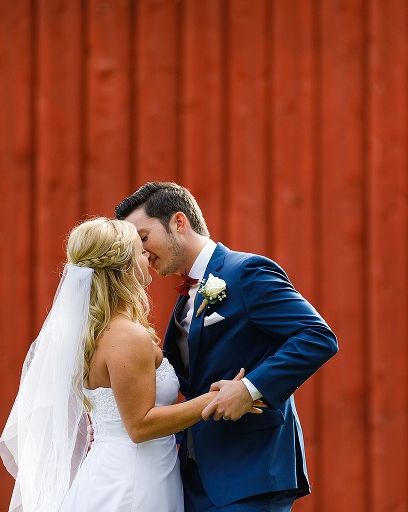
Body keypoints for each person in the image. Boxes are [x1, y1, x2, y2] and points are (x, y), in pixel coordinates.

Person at [0, 217, 261, 512]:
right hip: (132, 481)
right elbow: (139, 425)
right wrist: (215, 399)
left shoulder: (95, 332)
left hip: (125, 469)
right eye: (139, 250)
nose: (147, 256)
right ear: (124, 267)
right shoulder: (126, 336)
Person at [115, 182, 339, 511]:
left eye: (144, 237)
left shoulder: (246, 272)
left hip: (250, 473)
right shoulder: (183, 302)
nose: (142, 253)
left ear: (179, 223)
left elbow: (316, 336)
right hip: (193, 478)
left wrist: (250, 389)